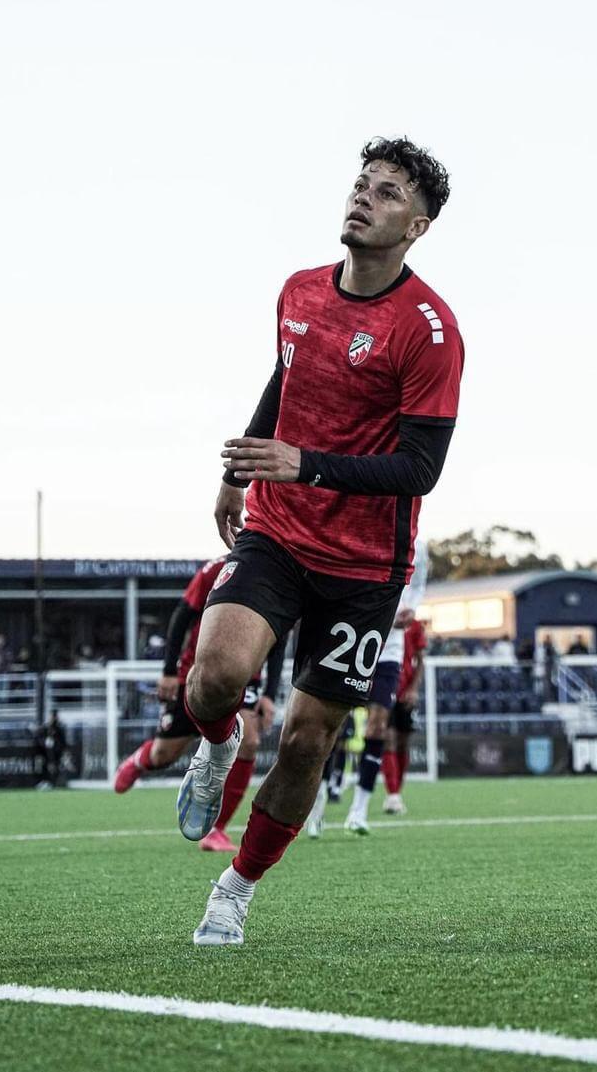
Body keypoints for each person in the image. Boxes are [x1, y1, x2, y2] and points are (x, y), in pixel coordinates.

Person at [177, 136, 463, 946]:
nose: (364, 197)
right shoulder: (298, 290)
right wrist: (244, 463)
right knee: (214, 677)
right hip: (277, 530)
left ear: (418, 224)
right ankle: (219, 742)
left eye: (387, 191)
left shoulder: (430, 332)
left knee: (308, 739)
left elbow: (421, 468)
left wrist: (301, 462)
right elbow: (287, 375)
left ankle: (235, 889)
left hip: (366, 568)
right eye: (361, 183)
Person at [114, 558, 282, 855]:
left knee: (249, 741)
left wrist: (269, 693)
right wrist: (168, 670)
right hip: (197, 673)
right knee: (166, 753)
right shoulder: (218, 569)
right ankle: (142, 759)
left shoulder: (281, 575)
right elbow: (182, 615)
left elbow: (279, 639)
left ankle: (216, 829)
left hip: (246, 676)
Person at [339, 537, 428, 834]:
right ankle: (319, 802)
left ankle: (360, 809)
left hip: (388, 652)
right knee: (330, 727)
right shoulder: (357, 535)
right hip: (353, 643)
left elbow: (418, 580)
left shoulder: (415, 541)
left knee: (380, 728)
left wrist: (410, 609)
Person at [381, 611, 429, 815]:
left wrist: (414, 689)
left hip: (405, 693)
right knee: (388, 739)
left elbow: (420, 661)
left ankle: (396, 792)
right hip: (384, 688)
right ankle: (392, 794)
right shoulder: (382, 618)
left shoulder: (415, 626)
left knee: (403, 742)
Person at [35, 710, 67, 789]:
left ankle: (54, 782)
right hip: (44, 753)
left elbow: (63, 742)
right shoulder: (44, 728)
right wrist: (45, 742)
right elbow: (38, 740)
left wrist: (56, 745)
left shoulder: (59, 729)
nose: (53, 718)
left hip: (56, 754)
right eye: (52, 716)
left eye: (55, 716)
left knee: (55, 766)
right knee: (43, 764)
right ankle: (44, 781)